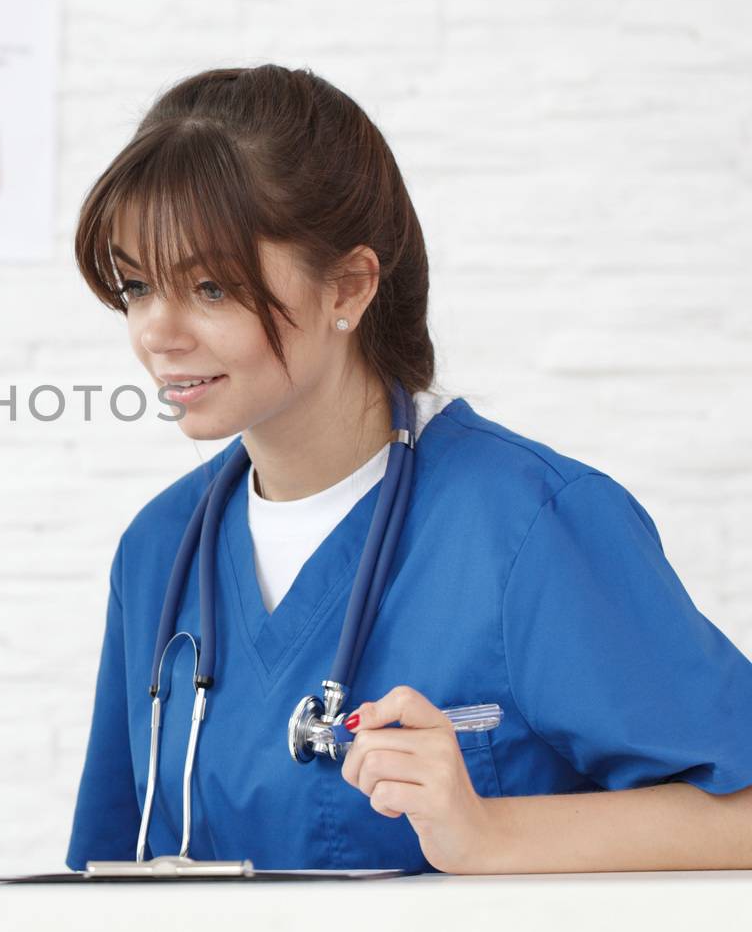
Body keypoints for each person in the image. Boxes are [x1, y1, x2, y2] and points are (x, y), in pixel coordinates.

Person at [65, 64, 752, 873]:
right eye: (138, 285)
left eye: (210, 286)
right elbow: (103, 875)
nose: (156, 331)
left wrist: (491, 834)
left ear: (348, 287)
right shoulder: (159, 550)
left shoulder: (526, 525)